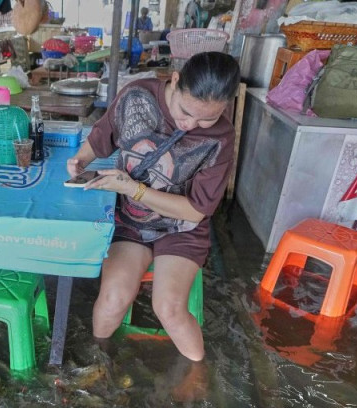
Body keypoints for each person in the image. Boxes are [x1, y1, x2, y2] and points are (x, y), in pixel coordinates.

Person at [65, 52, 240, 362]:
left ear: (225, 107)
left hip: (180, 228)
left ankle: (197, 382)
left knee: (168, 308)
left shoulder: (221, 139)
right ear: (174, 81)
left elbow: (196, 211)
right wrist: (81, 160)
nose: (190, 125)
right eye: (186, 112)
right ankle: (99, 363)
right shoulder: (137, 97)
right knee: (113, 297)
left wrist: (134, 189)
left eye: (207, 118)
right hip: (131, 221)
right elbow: (102, 136)